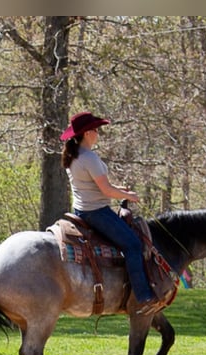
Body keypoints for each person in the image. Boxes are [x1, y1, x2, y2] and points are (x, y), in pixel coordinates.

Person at [60, 111, 158, 315]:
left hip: (81, 209)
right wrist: (128, 196)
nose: (98, 133)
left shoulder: (75, 155)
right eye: (96, 130)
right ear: (87, 133)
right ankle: (143, 296)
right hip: (96, 211)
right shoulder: (89, 157)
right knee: (133, 245)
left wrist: (121, 190)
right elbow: (105, 190)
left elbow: (97, 185)